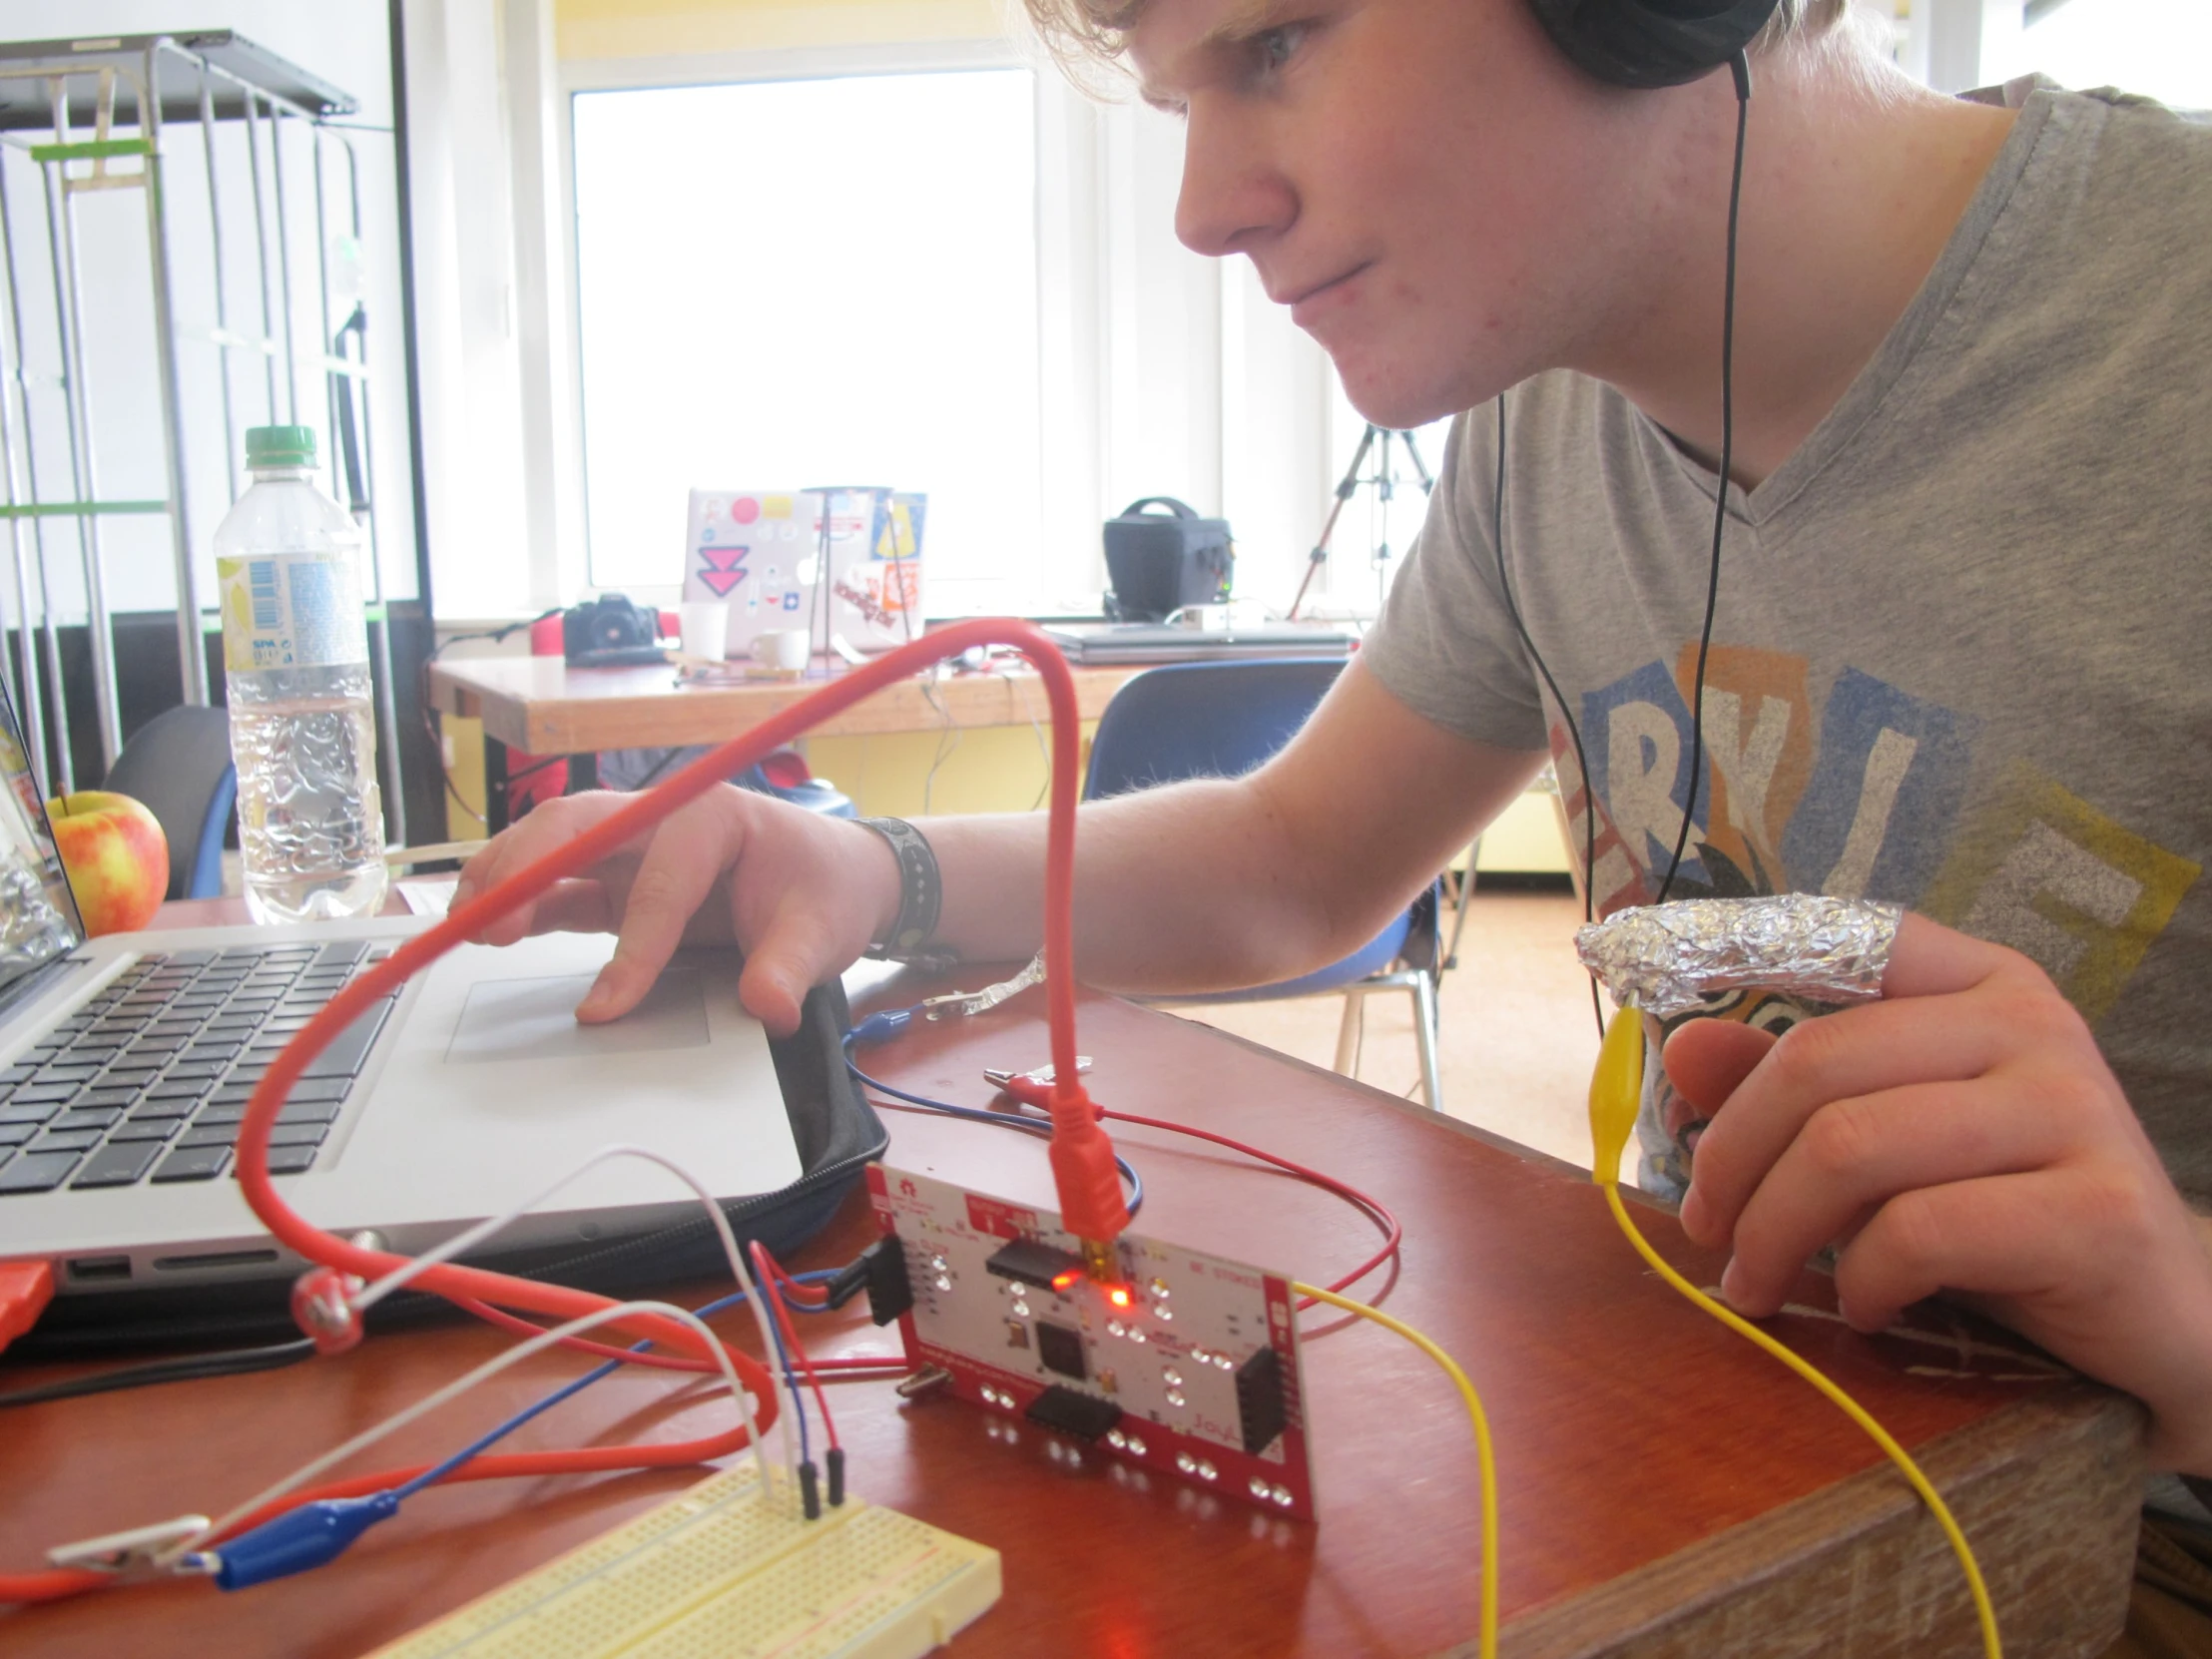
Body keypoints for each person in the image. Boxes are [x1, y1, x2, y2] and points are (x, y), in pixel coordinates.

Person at [458, 0, 2212, 1631]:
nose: (1204, 211)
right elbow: (1294, 863)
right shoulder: (1547, 416)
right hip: (1746, 1492)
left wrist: (2188, 1315)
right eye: (1177, 100)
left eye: (1281, 42)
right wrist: (871, 867)